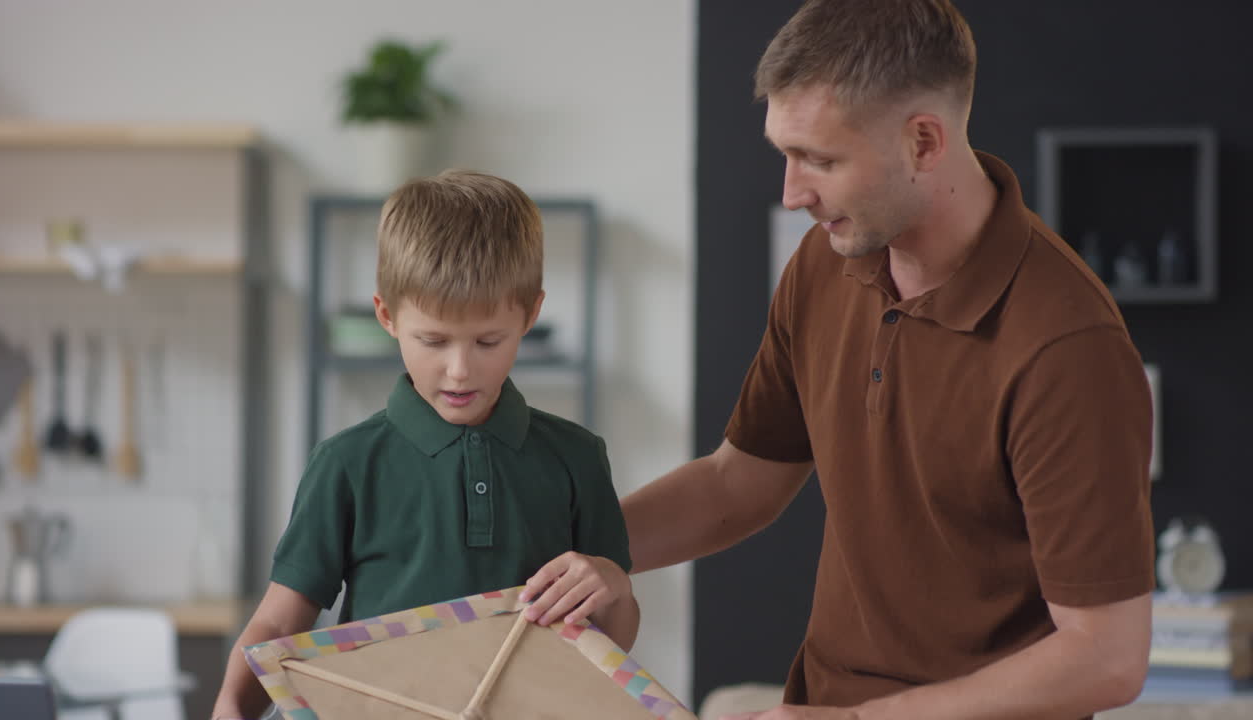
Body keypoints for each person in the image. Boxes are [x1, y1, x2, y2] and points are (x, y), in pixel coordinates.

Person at [622, 1, 1154, 718]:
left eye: (820, 159)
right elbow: (736, 482)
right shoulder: (823, 262)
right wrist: (573, 551)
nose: (791, 193)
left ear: (924, 143)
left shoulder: (1066, 347)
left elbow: (1107, 656)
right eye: (785, 153)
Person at [211, 170, 639, 720]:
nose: (459, 370)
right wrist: (229, 708)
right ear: (387, 316)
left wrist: (615, 587)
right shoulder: (344, 464)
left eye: (488, 341)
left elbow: (613, 641)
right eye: (432, 340)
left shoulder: (577, 456)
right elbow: (276, 624)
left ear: (530, 315)